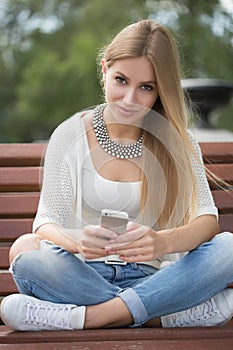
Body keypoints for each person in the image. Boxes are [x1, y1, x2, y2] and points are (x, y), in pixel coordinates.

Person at [1, 19, 233, 331]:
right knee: (26, 252)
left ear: (160, 91)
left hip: (156, 276)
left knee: (229, 247)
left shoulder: (176, 141)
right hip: (82, 275)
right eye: (121, 80)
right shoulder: (70, 134)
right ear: (104, 70)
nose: (129, 100)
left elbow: (207, 221)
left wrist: (162, 243)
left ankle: (88, 318)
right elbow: (45, 224)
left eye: (146, 88)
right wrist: (79, 240)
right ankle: (159, 315)